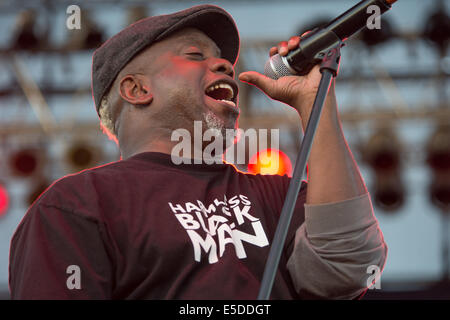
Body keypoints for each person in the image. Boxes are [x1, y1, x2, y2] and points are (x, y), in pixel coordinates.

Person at [9, 4, 387, 299]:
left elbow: (348, 266)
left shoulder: (279, 195)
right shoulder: (78, 205)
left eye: (221, 58)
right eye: (194, 54)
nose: (224, 64)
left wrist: (313, 104)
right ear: (137, 90)